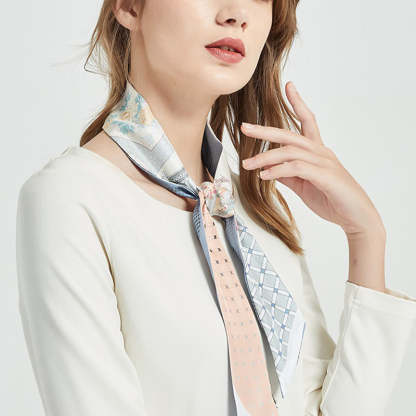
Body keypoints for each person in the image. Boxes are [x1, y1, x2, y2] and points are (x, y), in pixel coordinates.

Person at [16, 1, 416, 415]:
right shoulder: (70, 199)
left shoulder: (253, 203)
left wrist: (366, 235)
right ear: (130, 7)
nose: (237, 13)